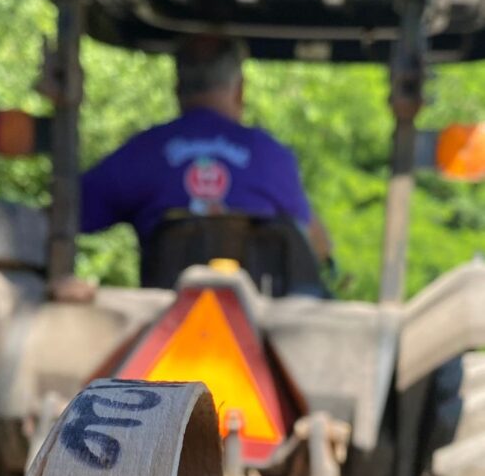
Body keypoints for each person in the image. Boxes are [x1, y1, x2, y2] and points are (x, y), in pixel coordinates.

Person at [50, 35, 330, 300]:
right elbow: (315, 247)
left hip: (163, 327)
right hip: (257, 329)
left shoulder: (145, 152)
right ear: (240, 89)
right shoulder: (271, 156)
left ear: (177, 86)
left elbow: (63, 217)